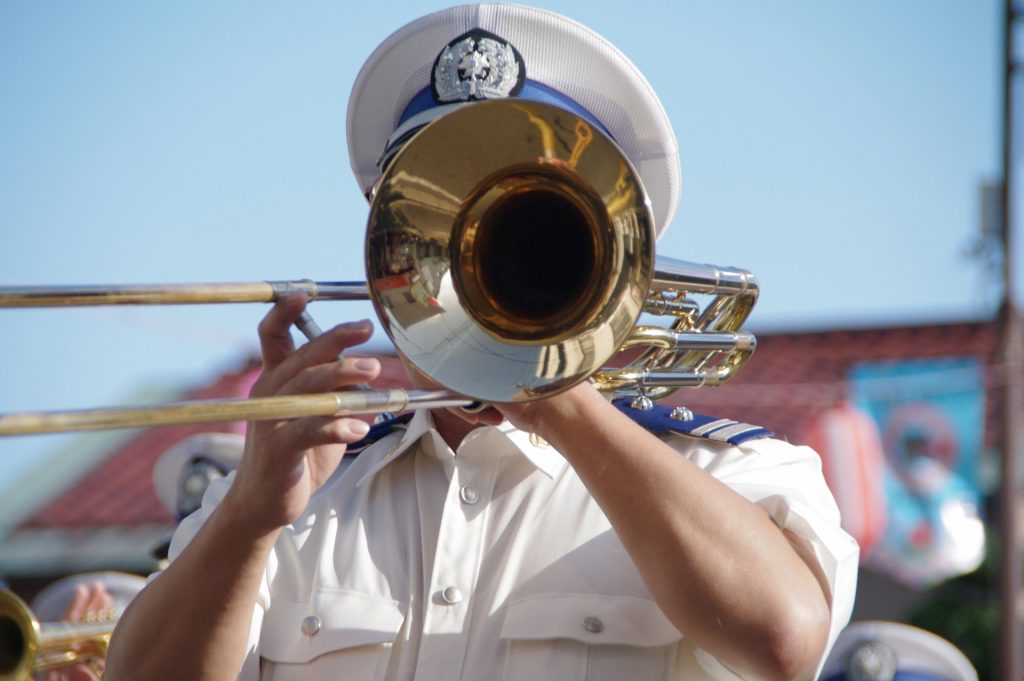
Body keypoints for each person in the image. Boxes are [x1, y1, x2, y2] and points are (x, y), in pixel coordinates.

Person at [105, 5, 859, 680]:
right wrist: (248, 515)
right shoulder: (293, 493)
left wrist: (556, 392)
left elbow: (783, 641)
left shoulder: (731, 476)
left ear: (613, 250)